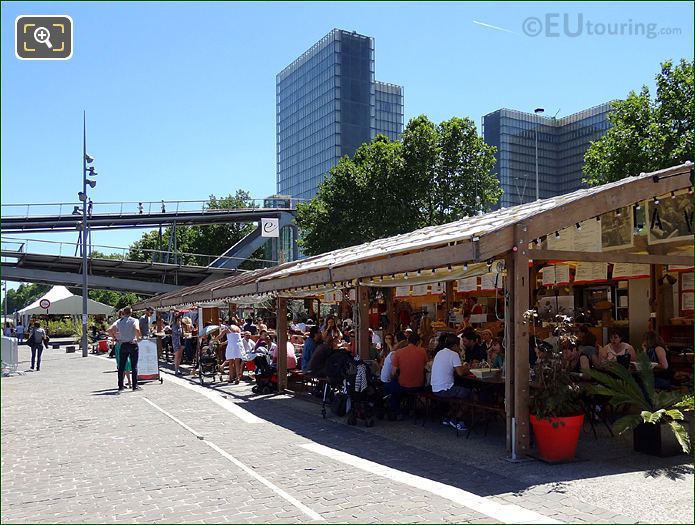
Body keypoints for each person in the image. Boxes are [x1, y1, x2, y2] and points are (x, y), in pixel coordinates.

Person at [388, 333, 428, 419]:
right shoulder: (423, 351)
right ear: (418, 342)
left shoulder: (398, 352)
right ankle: (410, 408)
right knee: (410, 390)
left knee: (393, 387)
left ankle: (396, 411)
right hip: (418, 385)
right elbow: (425, 365)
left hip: (403, 385)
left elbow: (393, 372)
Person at [110, 306, 141, 391]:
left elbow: (110, 329)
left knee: (121, 366)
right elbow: (137, 329)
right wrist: (138, 339)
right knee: (134, 366)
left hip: (123, 344)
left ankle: (120, 386)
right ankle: (135, 386)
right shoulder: (134, 320)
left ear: (123, 313)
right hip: (132, 343)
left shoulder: (119, 322)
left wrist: (115, 338)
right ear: (131, 312)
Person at [110, 311, 132, 388]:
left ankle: (123, 383)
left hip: (125, 344)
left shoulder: (126, 322)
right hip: (120, 345)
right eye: (123, 314)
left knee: (126, 365)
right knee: (124, 364)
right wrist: (115, 338)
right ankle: (128, 382)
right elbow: (109, 330)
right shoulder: (118, 322)